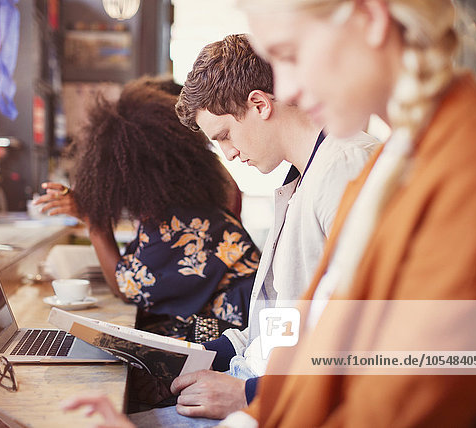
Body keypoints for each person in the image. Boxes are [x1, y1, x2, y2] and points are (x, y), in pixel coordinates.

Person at [60, 34, 378, 427]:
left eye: (225, 135)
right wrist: (201, 355)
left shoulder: (346, 170)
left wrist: (248, 394)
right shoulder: (300, 180)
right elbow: (282, 322)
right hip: (262, 379)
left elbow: (378, 343)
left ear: (260, 104)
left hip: (280, 398)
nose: (227, 154)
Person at [214, 1, 476, 427]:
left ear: (372, 19)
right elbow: (318, 340)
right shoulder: (389, 165)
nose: (283, 91)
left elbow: (404, 397)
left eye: (290, 55)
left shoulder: (471, 168)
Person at [35, 76, 260, 339]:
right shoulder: (180, 208)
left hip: (232, 343)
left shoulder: (179, 224)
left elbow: (126, 286)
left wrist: (93, 219)